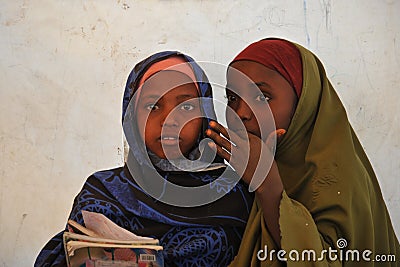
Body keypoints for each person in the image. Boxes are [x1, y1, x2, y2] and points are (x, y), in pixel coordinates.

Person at [34, 51, 254, 266]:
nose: (169, 120)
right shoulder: (101, 193)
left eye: (186, 106)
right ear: (131, 118)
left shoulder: (236, 195)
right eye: (152, 106)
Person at [206, 38, 400, 266]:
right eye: (233, 99)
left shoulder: (337, 180)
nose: (241, 113)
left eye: (262, 97)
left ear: (302, 105)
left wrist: (269, 188)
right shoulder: (246, 173)